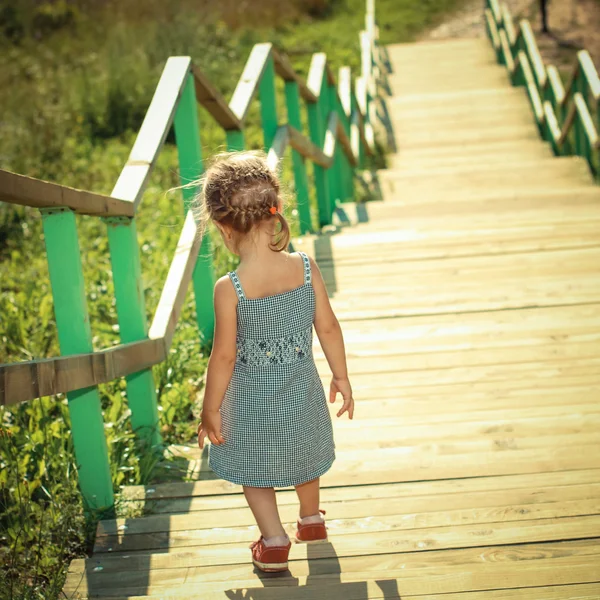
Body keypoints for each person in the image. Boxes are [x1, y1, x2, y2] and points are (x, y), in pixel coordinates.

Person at [195, 151, 354, 573]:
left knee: (255, 470)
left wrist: (211, 409)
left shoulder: (229, 289)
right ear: (277, 210)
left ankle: (274, 540)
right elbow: (330, 328)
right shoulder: (304, 268)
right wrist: (341, 375)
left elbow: (224, 356)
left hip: (250, 406)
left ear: (224, 229)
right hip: (302, 393)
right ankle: (311, 519)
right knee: (306, 454)